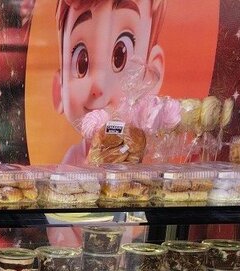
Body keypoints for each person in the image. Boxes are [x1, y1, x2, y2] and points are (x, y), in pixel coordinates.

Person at [53, 0, 166, 163]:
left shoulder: (138, 150)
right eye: (81, 63)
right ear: (59, 89)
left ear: (151, 74)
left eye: (120, 56)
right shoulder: (75, 157)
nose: (98, 86)